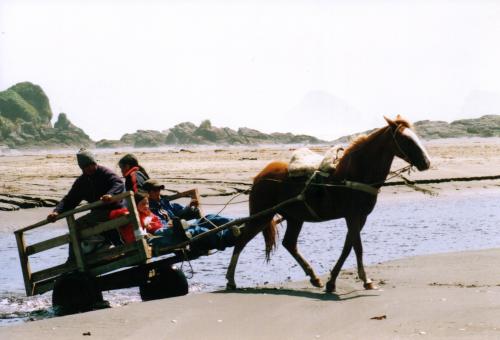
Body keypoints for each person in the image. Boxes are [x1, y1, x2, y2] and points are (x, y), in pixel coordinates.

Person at [47, 148, 125, 255]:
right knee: (76, 225)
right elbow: (70, 199)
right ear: (82, 168)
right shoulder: (82, 181)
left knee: (77, 224)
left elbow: (118, 183)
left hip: (114, 209)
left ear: (95, 162)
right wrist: (57, 211)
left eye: (91, 164)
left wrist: (110, 195)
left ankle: (76, 258)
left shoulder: (104, 172)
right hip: (98, 213)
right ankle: (76, 257)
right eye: (86, 167)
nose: (90, 168)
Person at [142, 179, 237, 252]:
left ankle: (236, 224)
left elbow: (179, 211)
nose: (158, 192)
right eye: (155, 190)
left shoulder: (164, 202)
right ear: (148, 193)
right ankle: (226, 237)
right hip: (172, 234)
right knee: (200, 230)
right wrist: (170, 224)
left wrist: (189, 207)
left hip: (181, 228)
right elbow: (158, 227)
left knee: (209, 217)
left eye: (159, 189)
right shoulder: (147, 208)